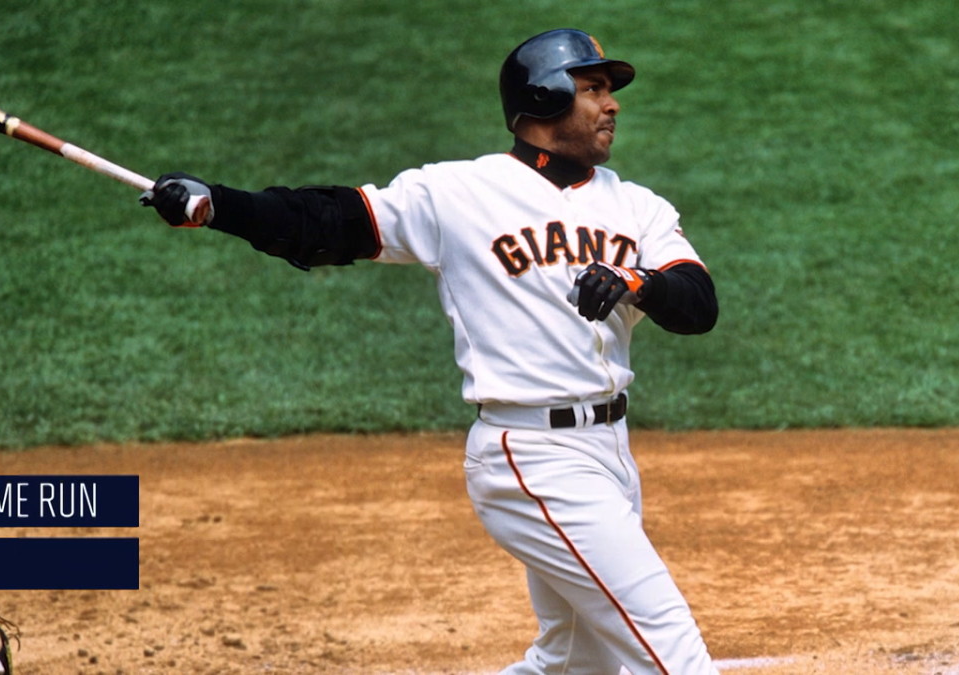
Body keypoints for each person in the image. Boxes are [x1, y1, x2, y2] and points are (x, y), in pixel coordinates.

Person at [142, 28, 720, 674]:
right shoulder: (459, 194)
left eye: (608, 91)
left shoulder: (635, 206)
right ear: (545, 97)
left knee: (578, 659)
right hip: (533, 456)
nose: (611, 104)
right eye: (592, 89)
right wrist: (219, 206)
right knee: (671, 649)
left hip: (610, 452)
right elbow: (328, 220)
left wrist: (643, 281)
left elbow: (698, 302)